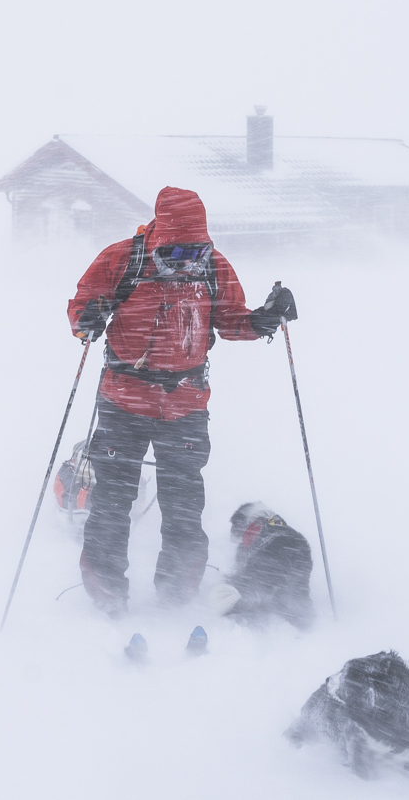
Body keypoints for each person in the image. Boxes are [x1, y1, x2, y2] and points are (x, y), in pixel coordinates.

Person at [65, 187, 296, 615]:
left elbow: (231, 320)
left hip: (185, 406)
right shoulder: (123, 259)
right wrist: (87, 320)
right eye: (174, 249)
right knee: (112, 507)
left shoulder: (213, 265)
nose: (185, 257)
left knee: (184, 511)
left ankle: (177, 596)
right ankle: (107, 596)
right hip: (123, 402)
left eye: (194, 248)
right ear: (158, 236)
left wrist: (264, 319)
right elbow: (81, 307)